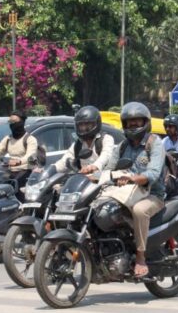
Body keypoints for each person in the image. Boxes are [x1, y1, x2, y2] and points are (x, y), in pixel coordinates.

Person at [108, 102, 166, 278]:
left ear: (145, 123)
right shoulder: (122, 147)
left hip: (151, 195)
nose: (133, 125)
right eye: (129, 122)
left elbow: (154, 173)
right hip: (125, 194)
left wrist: (134, 178)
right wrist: (90, 175)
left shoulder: (154, 143)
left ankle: (141, 257)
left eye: (137, 121)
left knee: (139, 211)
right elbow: (109, 169)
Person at [0, 110, 38, 194]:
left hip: (25, 171)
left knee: (15, 188)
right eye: (10, 122)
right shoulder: (8, 139)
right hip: (10, 171)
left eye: (15, 122)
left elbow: (30, 156)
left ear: (22, 122)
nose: (12, 124)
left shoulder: (30, 139)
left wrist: (19, 161)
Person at [55, 106, 114, 175]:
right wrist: (51, 169)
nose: (83, 128)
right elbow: (64, 161)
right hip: (84, 182)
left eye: (87, 124)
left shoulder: (106, 139)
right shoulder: (78, 144)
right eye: (81, 125)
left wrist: (94, 166)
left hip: (103, 180)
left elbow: (106, 155)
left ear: (97, 123)